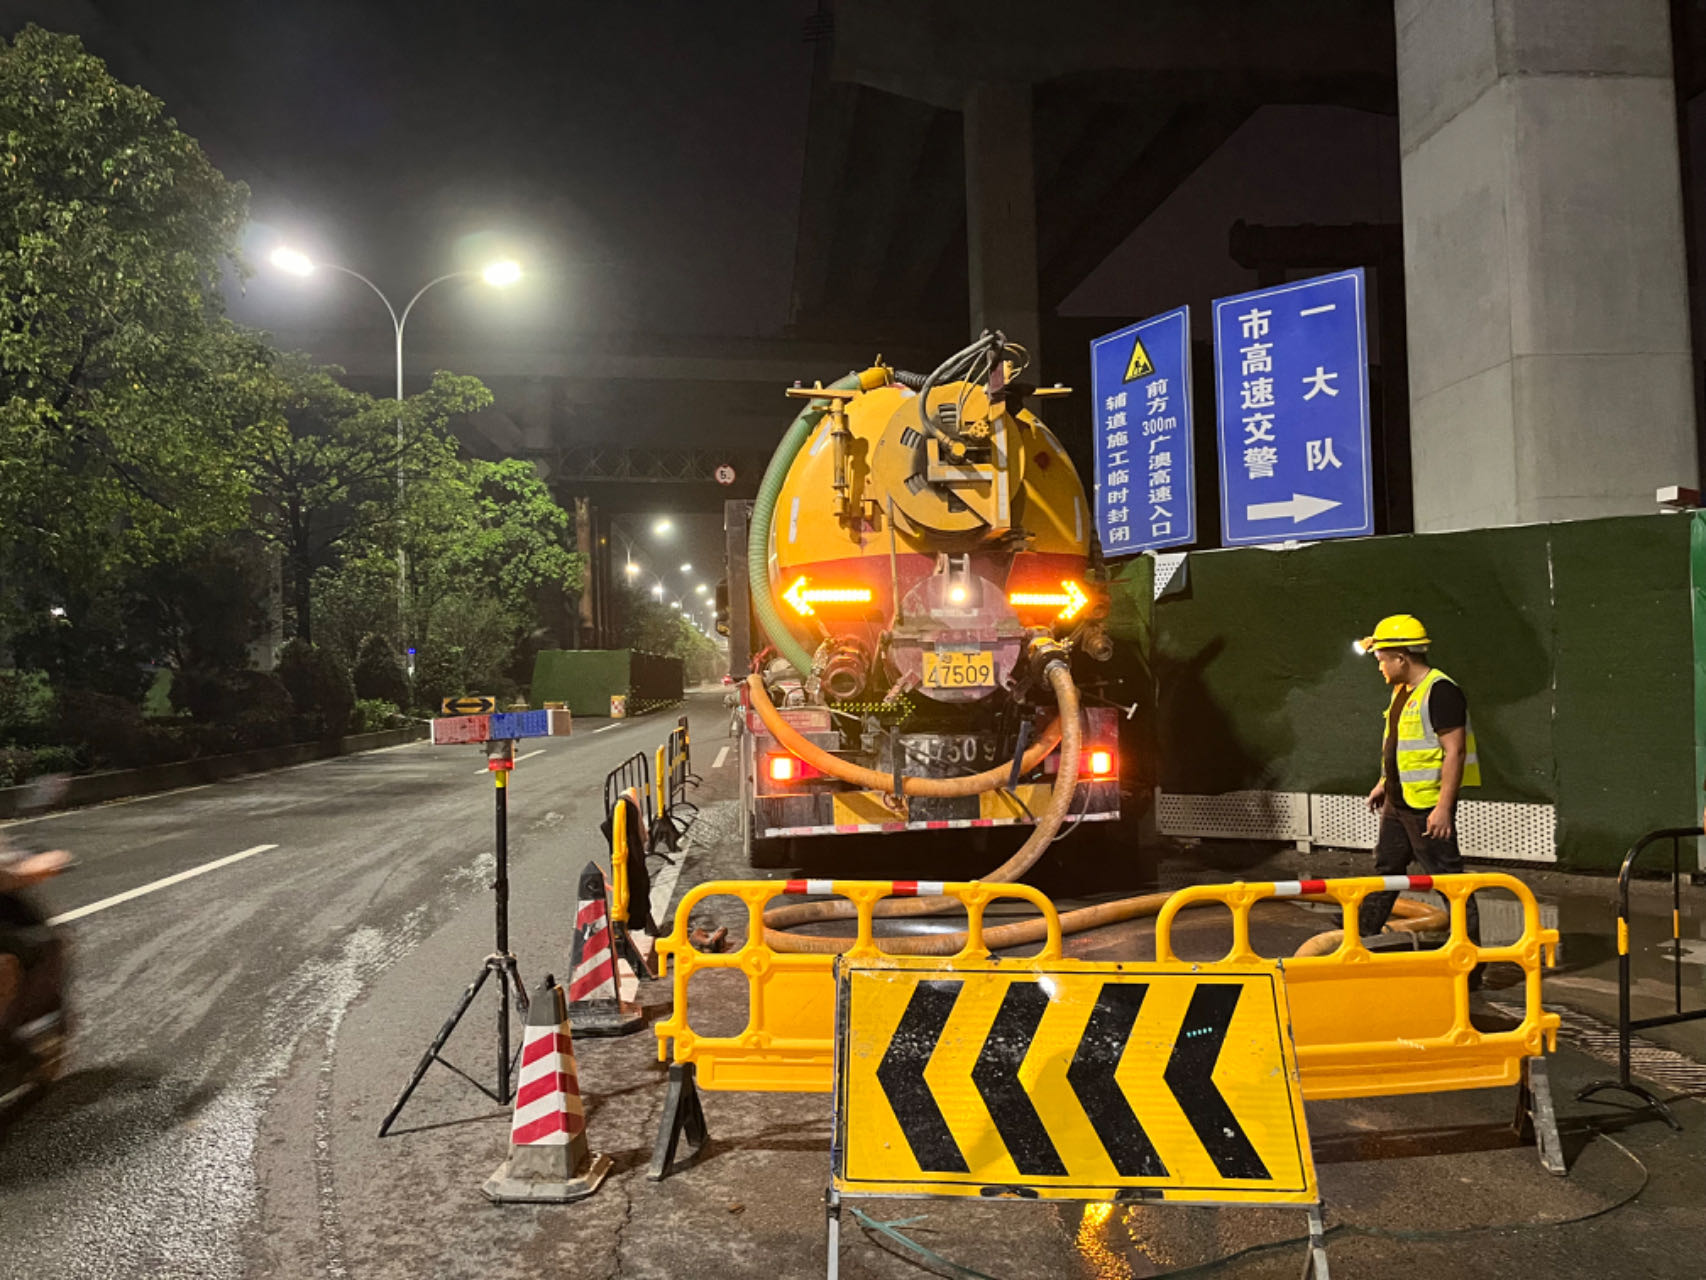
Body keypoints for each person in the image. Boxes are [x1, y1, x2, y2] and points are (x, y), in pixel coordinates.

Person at [1356, 614, 1482, 965]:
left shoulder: (1441, 691)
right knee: (1386, 871)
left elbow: (1455, 751)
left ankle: (1470, 964)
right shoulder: (1402, 691)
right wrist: (1384, 783)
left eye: (1382, 659)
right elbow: (1401, 746)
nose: (1379, 667)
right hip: (1399, 803)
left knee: (1449, 883)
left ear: (1401, 658)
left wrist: (1443, 809)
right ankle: (1360, 940)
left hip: (1427, 807)